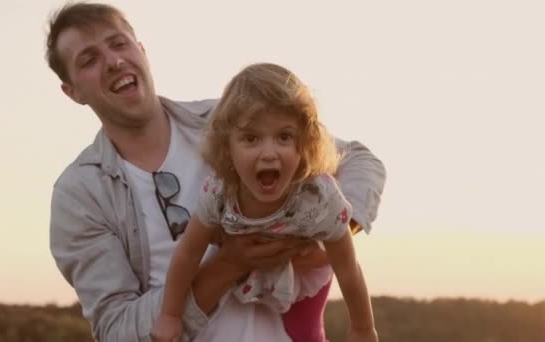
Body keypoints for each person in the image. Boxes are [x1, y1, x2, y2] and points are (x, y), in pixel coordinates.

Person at [45, 2, 386, 341]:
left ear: (142, 50)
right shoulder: (78, 196)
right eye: (89, 59)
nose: (114, 61)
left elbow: (357, 159)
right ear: (72, 92)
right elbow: (117, 330)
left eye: (119, 44)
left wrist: (330, 234)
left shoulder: (231, 120)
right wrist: (230, 264)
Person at [152, 63, 378, 342]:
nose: (268, 153)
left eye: (284, 136)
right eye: (251, 138)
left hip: (305, 263)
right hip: (250, 271)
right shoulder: (220, 192)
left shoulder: (319, 197)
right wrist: (170, 315)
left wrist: (363, 329)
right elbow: (188, 253)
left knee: (306, 333)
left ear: (305, 144)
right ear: (227, 147)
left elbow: (348, 267)